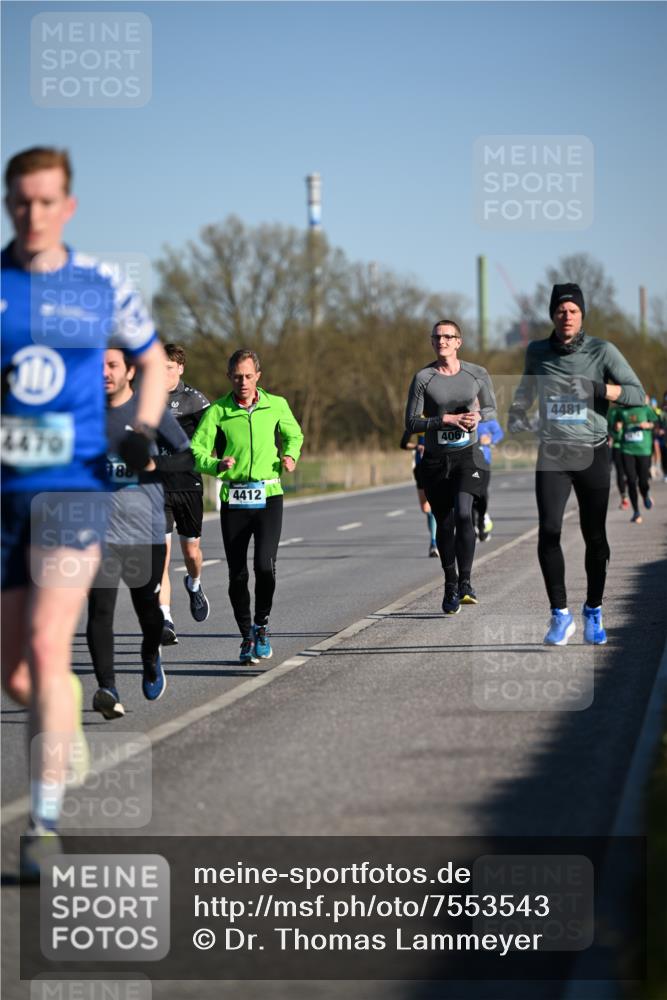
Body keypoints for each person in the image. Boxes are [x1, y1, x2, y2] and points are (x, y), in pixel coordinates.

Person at [1, 147, 166, 878]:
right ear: (9, 205)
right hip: (5, 493)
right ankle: (65, 715)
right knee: (17, 675)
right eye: (19, 202)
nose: (32, 214)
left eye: (45, 202)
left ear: (66, 206)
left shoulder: (100, 283)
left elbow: (153, 357)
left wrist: (139, 426)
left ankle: (43, 827)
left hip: (74, 488)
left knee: (45, 642)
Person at [508, 282, 645, 646]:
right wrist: (518, 411)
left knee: (595, 537)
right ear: (552, 314)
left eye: (572, 311)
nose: (566, 316)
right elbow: (525, 390)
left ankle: (594, 610)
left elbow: (637, 395)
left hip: (593, 452)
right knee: (549, 530)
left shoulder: (603, 351)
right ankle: (559, 615)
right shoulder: (537, 351)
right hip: (553, 452)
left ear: (582, 315)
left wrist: (597, 389)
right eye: (560, 310)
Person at [87, 349, 193, 719]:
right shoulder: (84, 411)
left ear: (130, 370)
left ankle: (150, 657)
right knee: (100, 610)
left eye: (112, 365)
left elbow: (187, 456)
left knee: (149, 615)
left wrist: (153, 464)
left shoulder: (149, 411)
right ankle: (107, 689)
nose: (104, 372)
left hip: (144, 531)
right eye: (98, 364)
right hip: (98, 532)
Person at [190, 349, 303, 664]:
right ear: (229, 377)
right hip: (234, 498)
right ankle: (245, 636)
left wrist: (290, 455)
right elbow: (196, 449)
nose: (243, 382)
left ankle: (262, 626)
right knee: (237, 574)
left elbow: (295, 434)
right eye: (237, 376)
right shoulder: (218, 411)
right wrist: (216, 464)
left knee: (265, 566)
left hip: (269, 495)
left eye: (248, 376)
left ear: (258, 376)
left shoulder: (276, 405)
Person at [405, 320, 498, 614]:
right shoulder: (423, 378)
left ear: (459, 341)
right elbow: (410, 422)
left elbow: (492, 408)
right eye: (437, 337)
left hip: (467, 455)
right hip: (435, 460)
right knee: (444, 522)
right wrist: (444, 420)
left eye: (448, 336)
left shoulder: (477, 373)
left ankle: (467, 583)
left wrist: (477, 418)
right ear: (432, 342)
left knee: (463, 512)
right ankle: (450, 583)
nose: (442, 341)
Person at [158, 343, 211, 645]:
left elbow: (214, 437)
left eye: (168, 367)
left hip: (188, 484)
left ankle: (194, 583)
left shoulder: (195, 401)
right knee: (160, 559)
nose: (162, 373)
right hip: (156, 487)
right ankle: (166, 618)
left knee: (191, 553)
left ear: (179, 368)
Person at [614, 394, 657, 525]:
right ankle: (636, 512)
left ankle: (645, 494)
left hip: (643, 450)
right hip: (627, 450)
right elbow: (612, 429)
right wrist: (617, 428)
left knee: (643, 481)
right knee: (631, 480)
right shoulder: (620, 411)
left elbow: (656, 423)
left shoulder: (645, 409)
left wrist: (648, 425)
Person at [399, 430, 438, 556]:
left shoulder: (440, 417)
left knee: (433, 508)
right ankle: (435, 537)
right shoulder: (417, 420)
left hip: (436, 466)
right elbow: (403, 443)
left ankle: (434, 543)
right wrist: (417, 446)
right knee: (426, 508)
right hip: (420, 468)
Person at [473, 417, 504, 541]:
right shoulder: (463, 415)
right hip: (469, 464)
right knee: (469, 494)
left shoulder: (487, 420)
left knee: (482, 494)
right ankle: (473, 526)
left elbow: (499, 433)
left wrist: (490, 439)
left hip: (484, 463)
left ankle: (481, 522)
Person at [607, 403, 629, 509]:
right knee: (619, 472)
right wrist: (611, 435)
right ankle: (624, 498)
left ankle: (641, 490)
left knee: (631, 473)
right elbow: (607, 427)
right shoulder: (611, 411)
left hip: (630, 447)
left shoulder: (630, 409)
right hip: (617, 447)